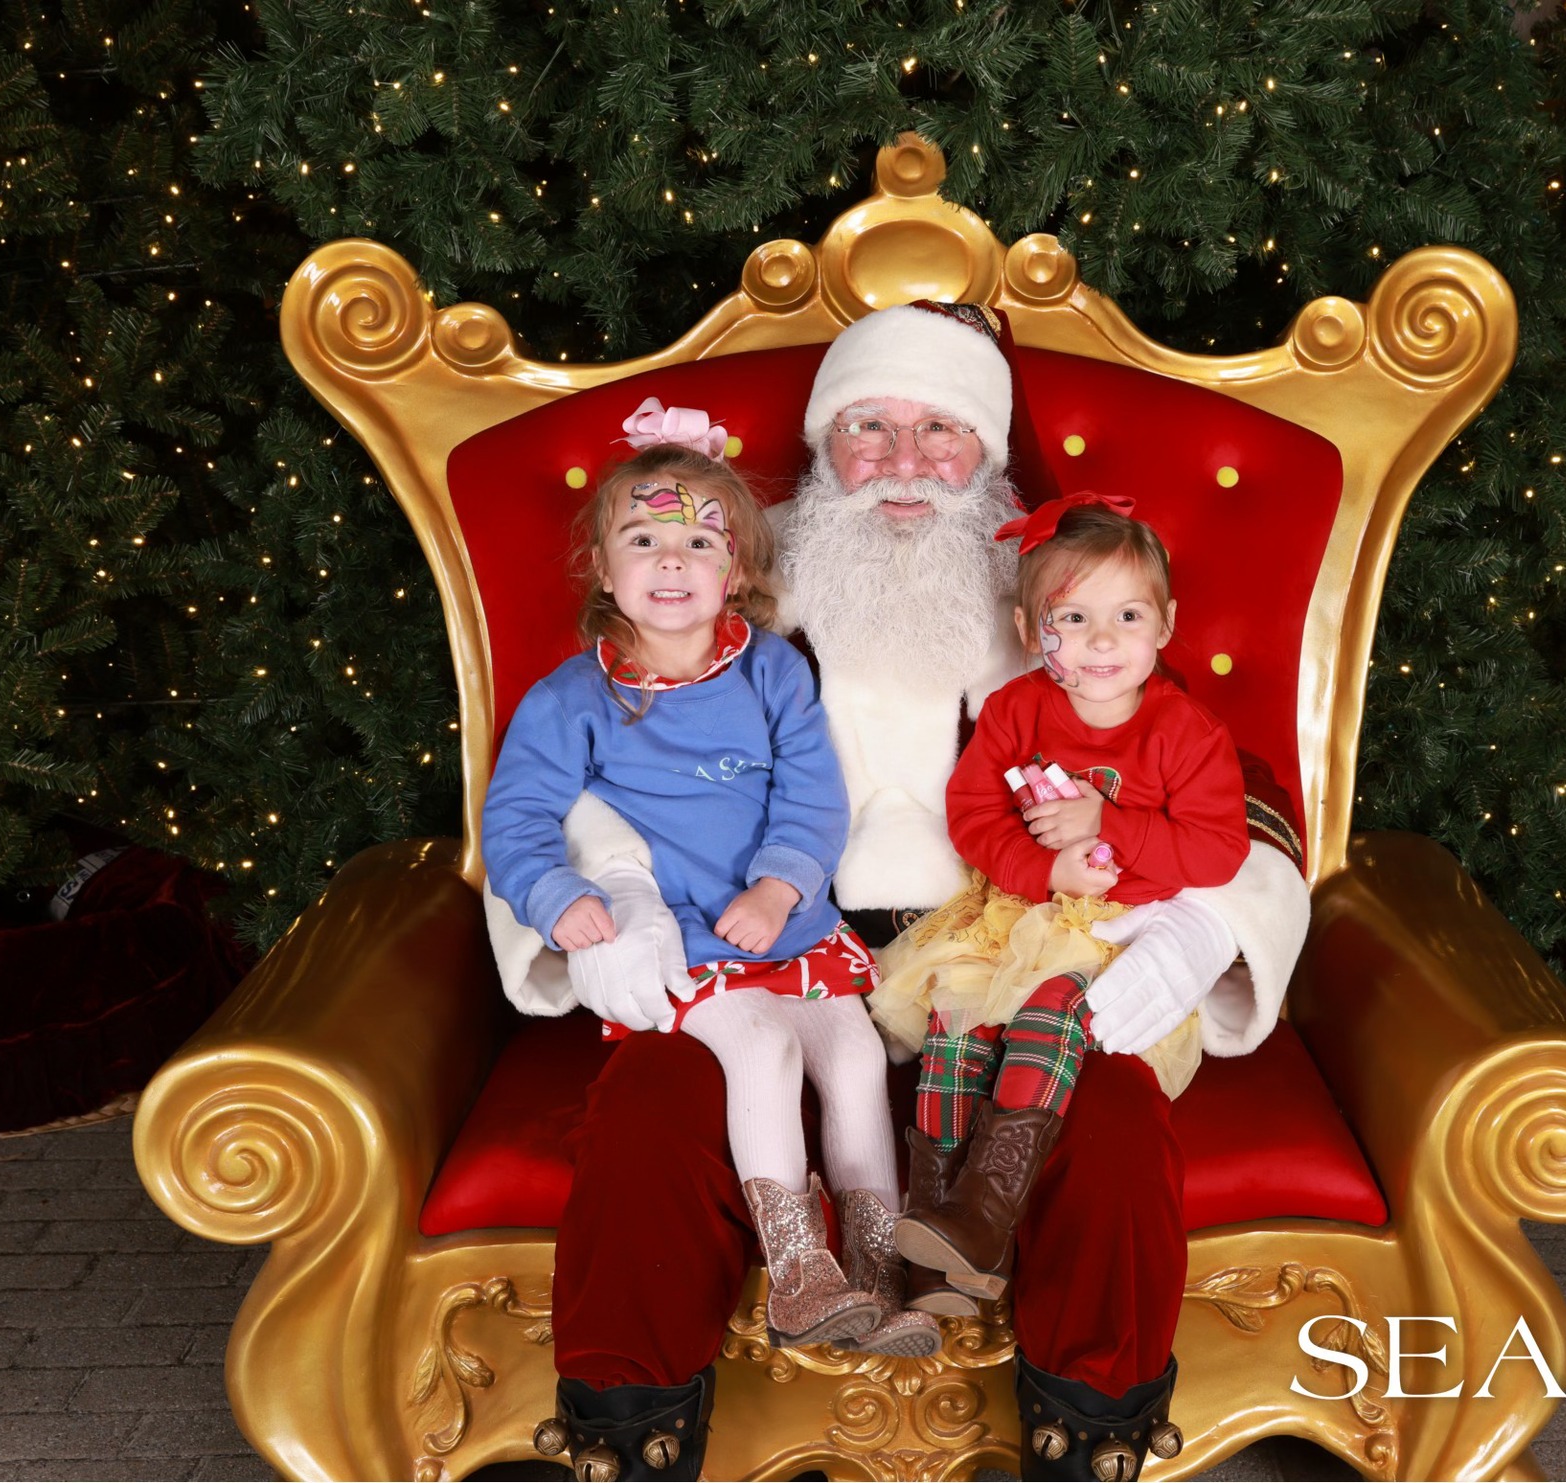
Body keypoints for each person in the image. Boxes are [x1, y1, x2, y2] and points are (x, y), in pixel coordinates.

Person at [526, 301, 1312, 1483]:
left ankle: (1085, 1446)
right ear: (820, 452)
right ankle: (625, 1452)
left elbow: (1222, 783)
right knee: (644, 1110)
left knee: (1107, 1121)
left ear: (988, 454)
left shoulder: (1064, 618)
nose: (901, 464)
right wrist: (604, 909)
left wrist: (1199, 928)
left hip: (1003, 963)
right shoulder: (715, 603)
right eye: (867, 429)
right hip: (768, 965)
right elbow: (576, 773)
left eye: (939, 430)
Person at [480, 444, 940, 1375]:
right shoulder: (575, 697)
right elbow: (518, 814)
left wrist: (778, 886)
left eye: (699, 541)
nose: (673, 561)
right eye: (644, 539)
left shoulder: (771, 672)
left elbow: (814, 797)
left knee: (851, 1052)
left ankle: (878, 1262)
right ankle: (798, 1268)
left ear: (734, 571)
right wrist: (556, 893)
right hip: (687, 945)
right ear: (605, 570)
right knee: (763, 1050)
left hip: (790, 923)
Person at [874, 494, 1251, 1308]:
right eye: (1072, 617)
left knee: (1047, 1012)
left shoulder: (1186, 732)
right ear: (1027, 628)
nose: (1103, 639)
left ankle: (986, 1216)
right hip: (1018, 909)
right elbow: (973, 817)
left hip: (1118, 927)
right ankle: (935, 1231)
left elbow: (1219, 848)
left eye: (1126, 614)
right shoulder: (1016, 710)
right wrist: (1043, 871)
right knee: (957, 1024)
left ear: (1166, 623)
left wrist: (1109, 823)